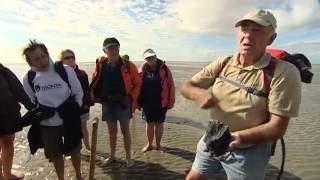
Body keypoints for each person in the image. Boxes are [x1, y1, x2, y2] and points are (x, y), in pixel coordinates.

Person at [182, 9, 301, 180]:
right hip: (212, 137)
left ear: (272, 38)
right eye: (244, 29)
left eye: (257, 30)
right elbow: (187, 86)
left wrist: (238, 138)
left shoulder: (283, 72)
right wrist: (198, 94)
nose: (248, 35)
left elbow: (277, 127)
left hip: (249, 151)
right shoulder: (224, 62)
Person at [22, 40, 84, 180]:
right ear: (30, 62)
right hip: (47, 124)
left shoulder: (65, 70)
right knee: (55, 155)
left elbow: (78, 92)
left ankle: (79, 175)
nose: (41, 61)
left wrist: (74, 108)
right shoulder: (29, 78)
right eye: (36, 59)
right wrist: (41, 111)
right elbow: (32, 100)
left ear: (47, 54)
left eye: (43, 56)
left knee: (75, 149)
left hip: (69, 119)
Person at [90, 37, 140, 167]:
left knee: (125, 131)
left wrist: (129, 98)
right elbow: (95, 82)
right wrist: (96, 98)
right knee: (112, 132)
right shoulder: (100, 65)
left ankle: (129, 157)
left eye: (116, 47)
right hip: (107, 104)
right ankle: (112, 156)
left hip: (123, 103)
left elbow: (138, 84)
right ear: (104, 50)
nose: (113, 50)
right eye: (110, 48)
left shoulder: (129, 65)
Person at [0, 63, 34, 180]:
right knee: (5, 144)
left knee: (7, 143)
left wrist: (30, 106)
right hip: (8, 115)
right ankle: (3, 174)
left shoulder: (3, 71)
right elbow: (18, 90)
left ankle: (7, 174)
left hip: (8, 116)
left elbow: (18, 90)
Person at [138, 49, 175, 152]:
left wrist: (171, 101)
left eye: (152, 57)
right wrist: (137, 101)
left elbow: (171, 85)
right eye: (148, 58)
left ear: (155, 56)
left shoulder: (165, 69)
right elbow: (137, 86)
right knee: (149, 124)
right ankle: (149, 144)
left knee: (159, 124)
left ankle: (158, 145)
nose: (150, 59)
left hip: (161, 101)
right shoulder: (142, 69)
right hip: (147, 102)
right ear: (145, 59)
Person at [59, 49, 91, 151]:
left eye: (72, 57)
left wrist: (86, 104)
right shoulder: (58, 75)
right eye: (67, 58)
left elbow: (87, 91)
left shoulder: (82, 73)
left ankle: (87, 146)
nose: (71, 59)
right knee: (69, 129)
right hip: (66, 108)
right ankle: (75, 149)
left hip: (82, 106)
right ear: (61, 60)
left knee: (83, 127)